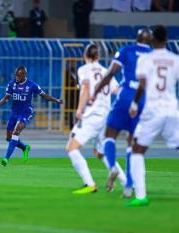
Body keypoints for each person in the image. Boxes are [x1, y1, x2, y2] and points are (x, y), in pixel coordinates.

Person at [90, 28, 153, 197]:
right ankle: (129, 186)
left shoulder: (126, 50)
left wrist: (96, 92)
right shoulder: (153, 55)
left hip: (124, 97)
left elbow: (111, 73)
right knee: (132, 143)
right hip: (142, 101)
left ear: (137, 38)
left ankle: (112, 167)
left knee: (109, 134)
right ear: (151, 40)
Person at [128, 26, 179, 206]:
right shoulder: (175, 59)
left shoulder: (145, 59)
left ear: (152, 40)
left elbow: (142, 84)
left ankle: (141, 196)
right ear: (167, 39)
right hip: (172, 109)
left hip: (153, 110)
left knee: (137, 150)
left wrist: (134, 104)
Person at [66, 44, 127, 194]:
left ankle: (89, 184)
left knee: (71, 148)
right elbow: (117, 90)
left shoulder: (84, 70)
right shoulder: (106, 71)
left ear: (85, 56)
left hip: (91, 116)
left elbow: (86, 88)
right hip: (106, 117)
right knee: (100, 153)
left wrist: (79, 109)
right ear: (98, 57)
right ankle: (126, 182)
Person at [0, 66, 63, 166]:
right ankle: (25, 148)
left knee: (16, 132)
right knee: (9, 138)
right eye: (16, 74)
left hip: (25, 112)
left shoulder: (31, 85)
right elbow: (6, 97)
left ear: (24, 75)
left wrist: (57, 100)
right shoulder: (11, 84)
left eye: (19, 75)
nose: (17, 77)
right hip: (14, 112)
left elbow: (44, 96)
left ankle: (6, 159)